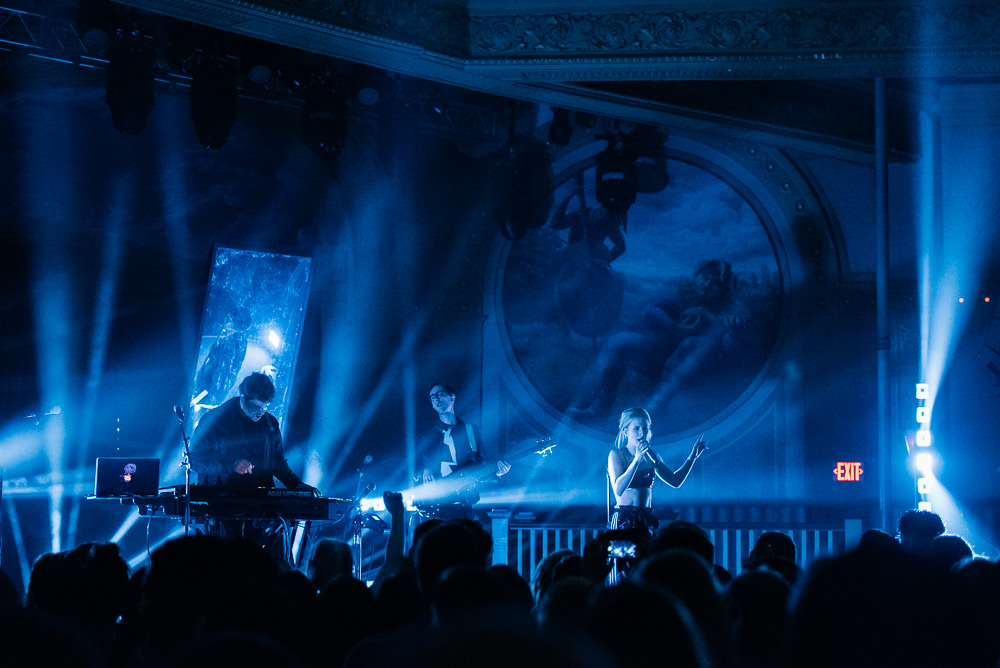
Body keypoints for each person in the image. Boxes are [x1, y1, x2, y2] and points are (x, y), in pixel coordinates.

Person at [189, 372, 316, 558]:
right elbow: (194, 460)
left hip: (260, 506)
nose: (261, 412)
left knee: (266, 559)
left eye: (265, 407)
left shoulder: (270, 424)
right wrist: (230, 466)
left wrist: (296, 485)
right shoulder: (214, 420)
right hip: (222, 504)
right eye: (257, 406)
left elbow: (277, 463)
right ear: (243, 398)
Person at [412, 384, 510, 517]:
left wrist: (497, 473)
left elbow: (479, 467)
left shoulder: (472, 431)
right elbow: (414, 466)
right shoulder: (426, 435)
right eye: (433, 397)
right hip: (433, 505)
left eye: (440, 394)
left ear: (452, 397)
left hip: (462, 504)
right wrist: (425, 469)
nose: (437, 399)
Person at [607, 407, 707, 535]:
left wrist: (692, 458)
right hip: (624, 517)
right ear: (626, 431)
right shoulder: (617, 454)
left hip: (645, 517)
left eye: (645, 428)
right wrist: (636, 460)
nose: (641, 433)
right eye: (636, 429)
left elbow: (675, 481)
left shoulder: (652, 456)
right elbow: (618, 489)